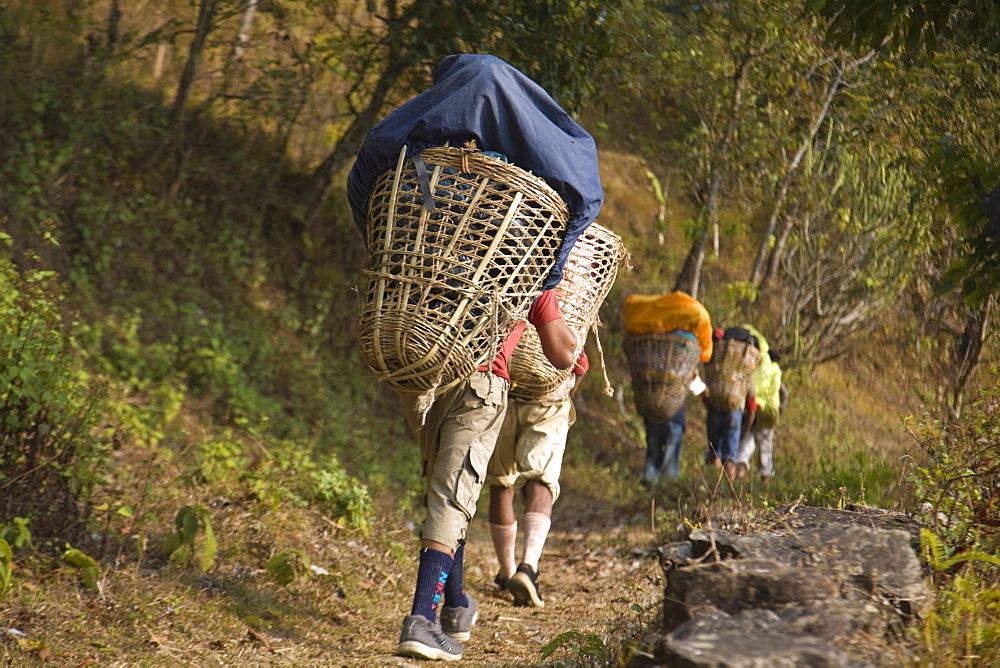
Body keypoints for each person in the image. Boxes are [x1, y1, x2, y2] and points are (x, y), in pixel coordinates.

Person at [347, 54, 604, 662]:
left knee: (444, 485)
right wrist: (576, 359)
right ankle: (420, 618)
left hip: (415, 357)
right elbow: (558, 345)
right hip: (482, 375)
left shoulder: (420, 211)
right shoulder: (519, 240)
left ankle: (457, 604)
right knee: (451, 493)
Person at [487, 349, 588, 608]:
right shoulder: (564, 307)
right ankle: (528, 567)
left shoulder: (505, 308)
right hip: (548, 401)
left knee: (501, 484)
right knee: (540, 480)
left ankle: (507, 572)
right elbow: (577, 363)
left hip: (502, 394)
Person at [623, 291, 713, 488]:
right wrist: (704, 392)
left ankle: (650, 476)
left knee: (653, 446)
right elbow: (689, 378)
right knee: (672, 449)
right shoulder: (684, 347)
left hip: (649, 405)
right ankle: (667, 487)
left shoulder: (651, 346)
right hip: (674, 412)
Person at [703, 327, 759, 481]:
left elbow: (705, 393)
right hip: (734, 412)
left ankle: (709, 487)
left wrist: (709, 404)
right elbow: (752, 408)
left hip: (714, 408)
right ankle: (727, 490)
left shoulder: (718, 368)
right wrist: (745, 431)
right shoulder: (744, 376)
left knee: (714, 452)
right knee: (730, 457)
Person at [735, 329, 788, 480]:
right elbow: (783, 393)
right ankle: (765, 483)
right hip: (768, 413)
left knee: (746, 445)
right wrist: (779, 410)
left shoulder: (753, 363)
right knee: (765, 448)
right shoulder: (774, 370)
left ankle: (738, 478)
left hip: (751, 407)